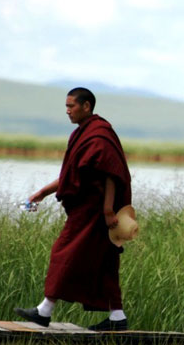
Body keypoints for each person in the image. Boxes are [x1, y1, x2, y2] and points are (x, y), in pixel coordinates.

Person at [15, 87, 133, 331]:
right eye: (66, 106)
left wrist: (108, 210)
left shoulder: (100, 135)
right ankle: (117, 318)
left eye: (71, 106)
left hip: (96, 210)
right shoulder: (81, 134)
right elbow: (72, 174)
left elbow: (111, 174)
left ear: (86, 106)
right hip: (88, 208)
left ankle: (44, 310)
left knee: (63, 252)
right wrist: (43, 193)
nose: (67, 111)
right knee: (105, 261)